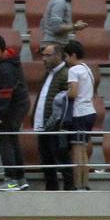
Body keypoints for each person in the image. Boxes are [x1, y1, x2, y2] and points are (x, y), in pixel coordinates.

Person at [0, 33, 29, 192]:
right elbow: (5, 86)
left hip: (13, 107)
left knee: (4, 141)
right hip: (18, 105)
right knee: (12, 140)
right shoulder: (6, 61)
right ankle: (20, 178)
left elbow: (4, 96)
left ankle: (12, 180)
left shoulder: (5, 68)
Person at [32, 41, 70, 190]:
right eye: (43, 55)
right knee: (46, 158)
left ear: (58, 56)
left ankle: (68, 187)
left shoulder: (65, 74)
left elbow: (66, 101)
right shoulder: (48, 74)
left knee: (61, 156)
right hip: (44, 123)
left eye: (48, 55)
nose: (44, 59)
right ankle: (51, 188)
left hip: (56, 125)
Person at [62, 39, 95, 189]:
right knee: (83, 149)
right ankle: (85, 183)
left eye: (67, 57)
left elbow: (73, 93)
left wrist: (63, 94)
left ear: (73, 55)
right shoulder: (87, 69)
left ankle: (78, 184)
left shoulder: (73, 70)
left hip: (79, 113)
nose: (66, 60)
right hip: (90, 111)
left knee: (77, 150)